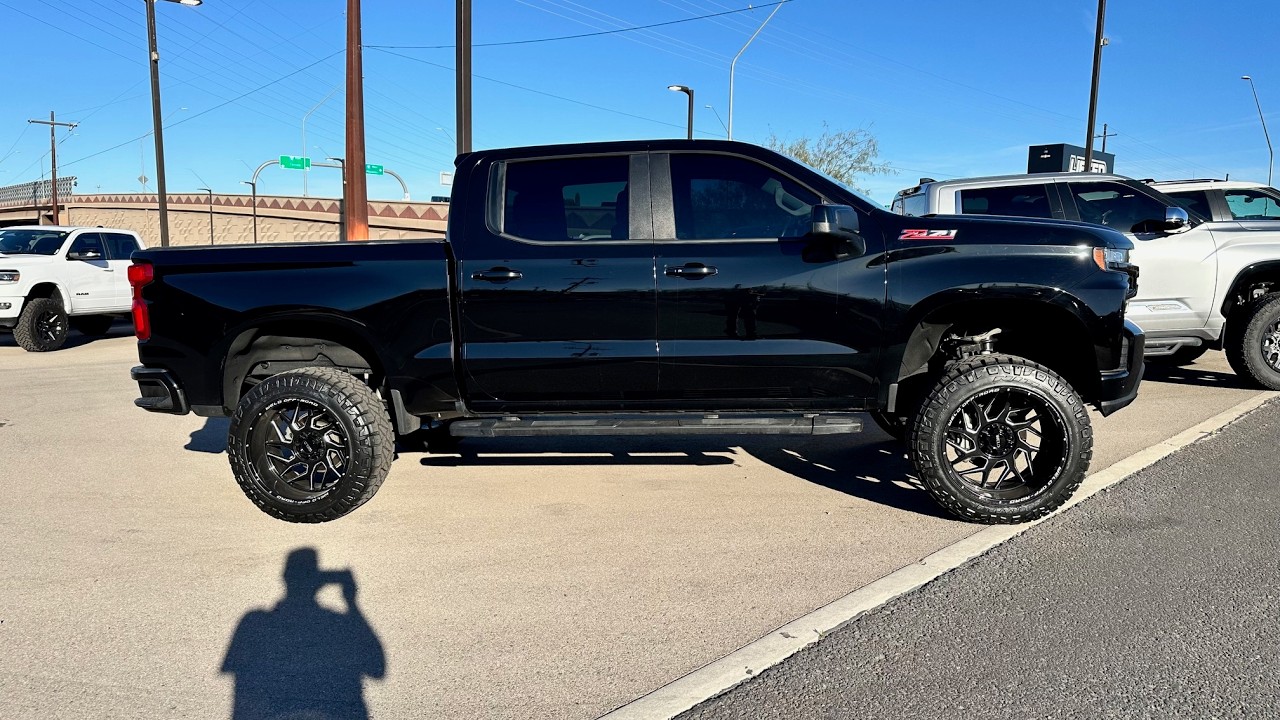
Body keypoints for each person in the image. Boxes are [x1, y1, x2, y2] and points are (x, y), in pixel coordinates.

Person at [222, 548, 385, 720]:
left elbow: (242, 688)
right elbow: (376, 669)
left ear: (285, 577)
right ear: (318, 582)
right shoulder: (339, 623)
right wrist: (352, 603)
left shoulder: (254, 622)